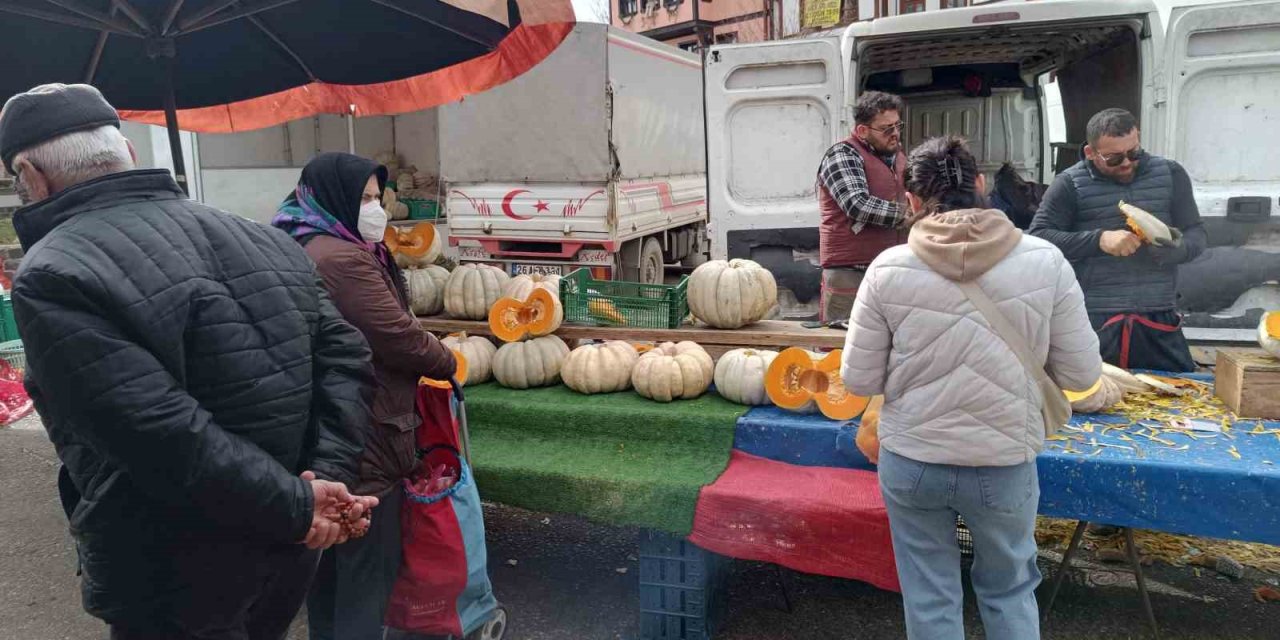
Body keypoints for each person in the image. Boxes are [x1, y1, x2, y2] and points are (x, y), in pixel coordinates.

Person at [1, 84, 379, 640]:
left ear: (31, 176)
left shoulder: (53, 272)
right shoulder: (268, 239)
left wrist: (302, 504)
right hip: (286, 549)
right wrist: (324, 479)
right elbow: (348, 358)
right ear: (128, 153)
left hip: (168, 566)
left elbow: (154, 430)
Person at [841, 136, 1102, 639]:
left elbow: (859, 379)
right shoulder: (1046, 261)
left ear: (912, 200)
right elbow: (1081, 375)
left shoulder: (886, 269)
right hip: (1003, 460)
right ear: (980, 185)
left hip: (913, 459)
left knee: (930, 595)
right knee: (1009, 592)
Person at [273, 152, 458, 639]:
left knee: (326, 567)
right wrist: (446, 360)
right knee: (365, 571)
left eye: (378, 198)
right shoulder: (342, 258)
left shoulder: (295, 238)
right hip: (365, 428)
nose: (376, 210)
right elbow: (394, 334)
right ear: (334, 198)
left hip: (319, 424)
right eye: (365, 199)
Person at [1029, 108, 1206, 372]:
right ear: (1090, 152)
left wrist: (1177, 250)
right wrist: (1098, 240)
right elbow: (1038, 237)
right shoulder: (1069, 184)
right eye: (1113, 158)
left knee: (1175, 392)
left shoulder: (1171, 173)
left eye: (1133, 152)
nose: (1126, 163)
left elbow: (1196, 233)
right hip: (1096, 319)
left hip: (1158, 315)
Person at [816, 90, 909, 323]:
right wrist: (912, 215)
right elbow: (857, 204)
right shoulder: (842, 155)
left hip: (892, 270)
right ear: (862, 131)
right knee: (842, 343)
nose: (895, 133)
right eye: (886, 128)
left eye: (898, 126)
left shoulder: (899, 158)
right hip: (850, 274)